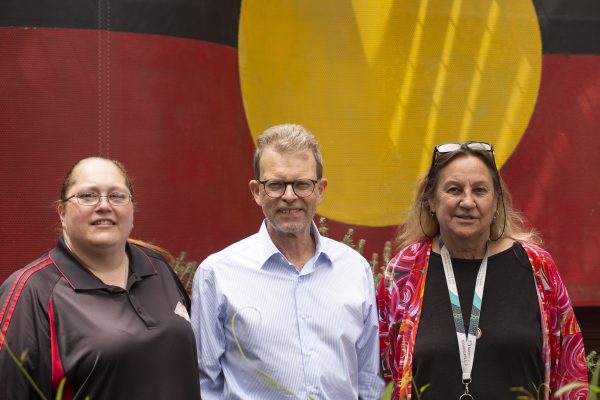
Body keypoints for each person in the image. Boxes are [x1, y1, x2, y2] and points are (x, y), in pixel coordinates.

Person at [377, 142, 588, 399]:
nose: (467, 201)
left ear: (496, 201)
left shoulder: (536, 268)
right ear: (431, 200)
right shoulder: (403, 273)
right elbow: (380, 375)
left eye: (479, 190)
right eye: (454, 190)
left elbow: (570, 372)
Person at [191, 123, 385, 399]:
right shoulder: (217, 274)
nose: (290, 196)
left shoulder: (354, 269)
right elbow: (204, 383)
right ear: (257, 191)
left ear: (320, 190)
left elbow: (368, 378)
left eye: (302, 184)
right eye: (276, 184)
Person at [0, 157, 202, 400]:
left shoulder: (157, 267)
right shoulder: (31, 291)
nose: (104, 205)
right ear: (62, 212)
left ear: (132, 209)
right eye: (87, 196)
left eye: (117, 196)